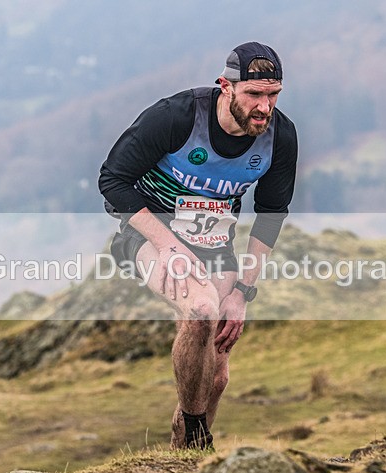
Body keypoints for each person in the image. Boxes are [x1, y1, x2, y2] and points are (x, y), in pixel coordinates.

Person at [98, 42, 297, 450]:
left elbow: (272, 212)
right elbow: (112, 180)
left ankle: (183, 458)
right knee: (202, 310)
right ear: (226, 86)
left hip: (214, 243)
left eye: (273, 95)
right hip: (151, 233)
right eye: (254, 94)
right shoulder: (178, 116)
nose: (264, 107)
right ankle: (196, 433)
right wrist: (168, 245)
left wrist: (242, 292)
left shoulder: (280, 136)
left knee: (217, 374)